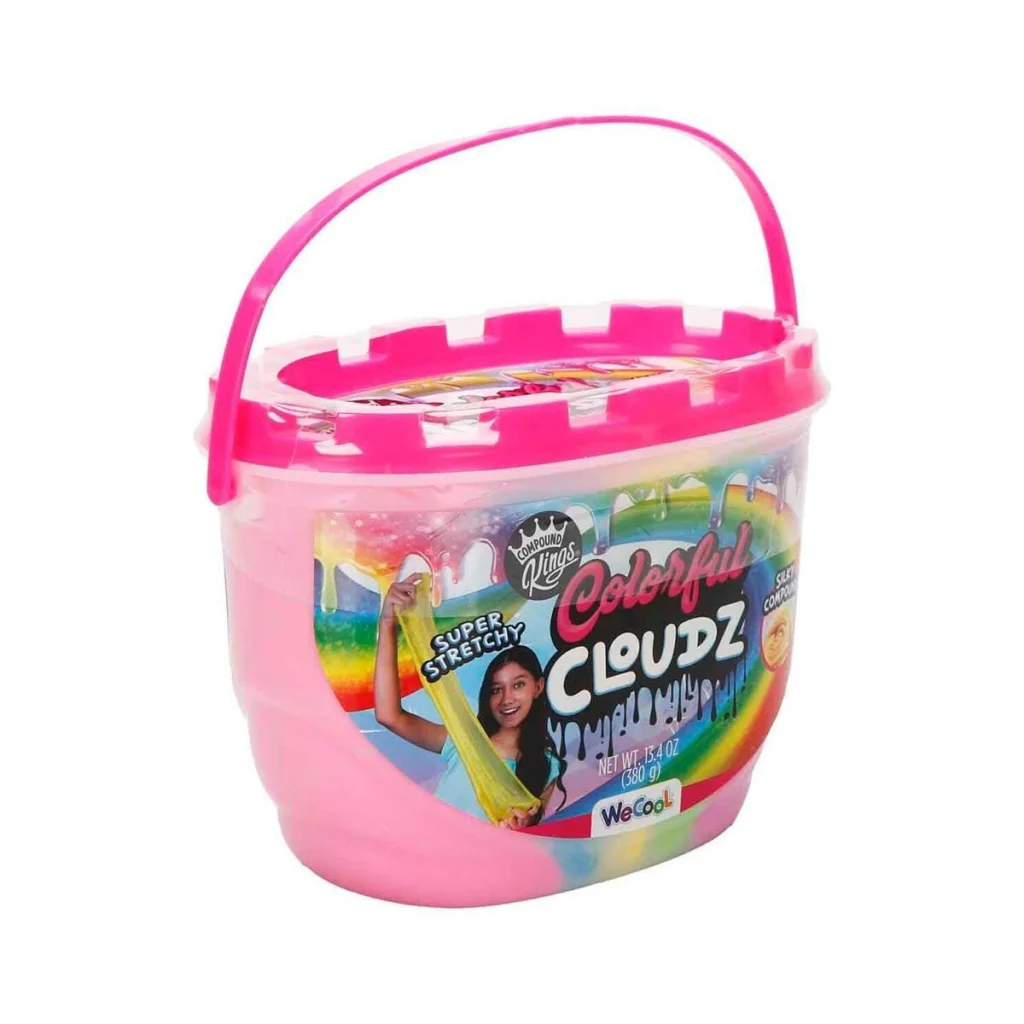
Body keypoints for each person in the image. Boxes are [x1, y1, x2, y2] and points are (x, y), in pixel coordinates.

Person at [373, 574, 565, 828]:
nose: (507, 699)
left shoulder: (548, 766)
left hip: (483, 854)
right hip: (427, 847)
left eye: (518, 685)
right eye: (496, 689)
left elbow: (529, 835)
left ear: (538, 687)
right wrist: (387, 624)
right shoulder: (466, 741)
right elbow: (389, 716)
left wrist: (524, 825)